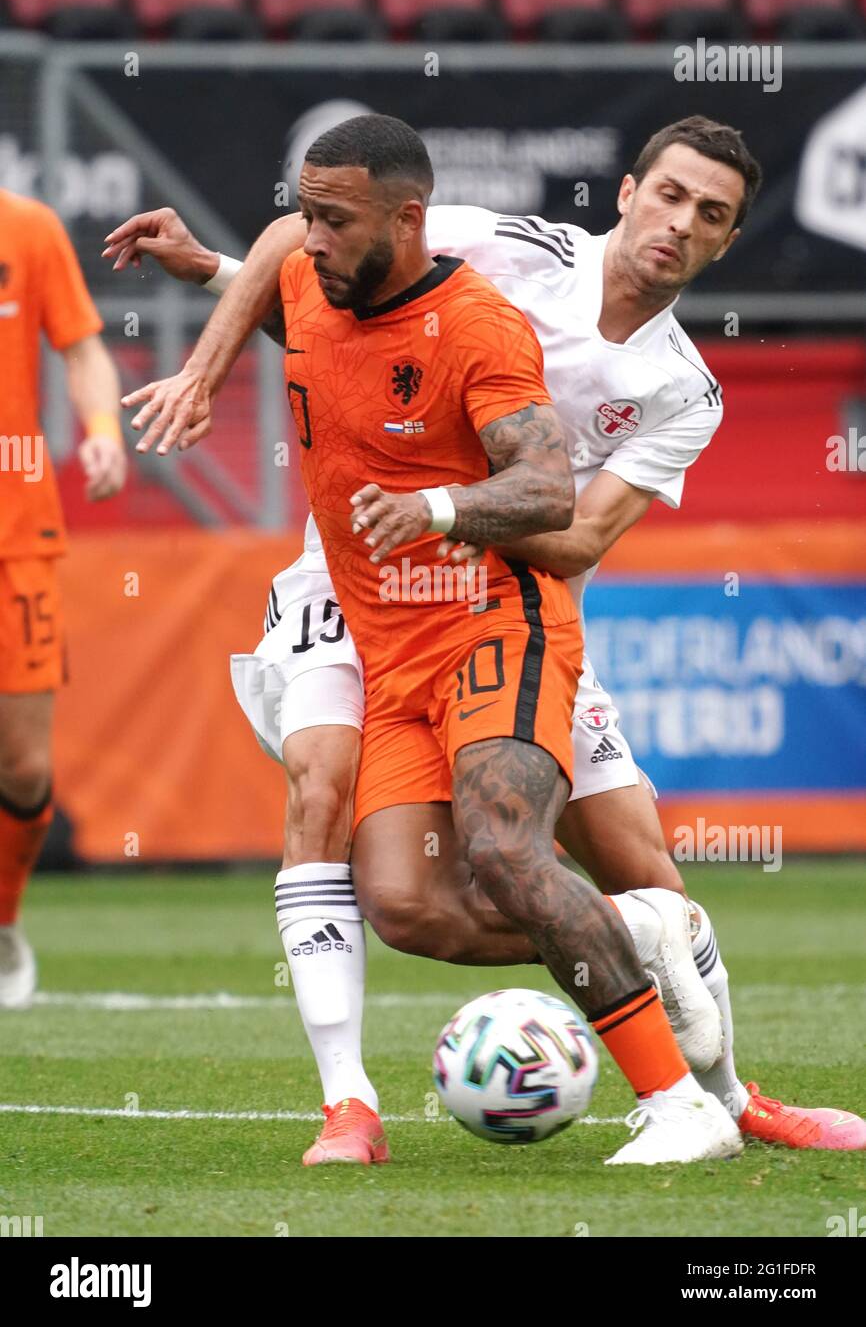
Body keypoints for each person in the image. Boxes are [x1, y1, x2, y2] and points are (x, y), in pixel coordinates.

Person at [120, 113, 748, 1169]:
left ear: (726, 241)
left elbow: (577, 527)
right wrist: (210, 319)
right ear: (629, 190)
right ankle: (348, 1105)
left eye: (711, 215)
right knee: (337, 811)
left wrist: (446, 511)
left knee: (620, 856)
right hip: (355, 577)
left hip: (500, 587)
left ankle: (722, 1092)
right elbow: (329, 252)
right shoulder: (518, 251)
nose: (679, 224)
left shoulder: (681, 387)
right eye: (671, 195)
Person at [0, 188, 127, 1006]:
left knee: (24, 764)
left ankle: (4, 923)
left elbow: (81, 349)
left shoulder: (29, 227)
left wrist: (102, 431)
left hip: (17, 534)